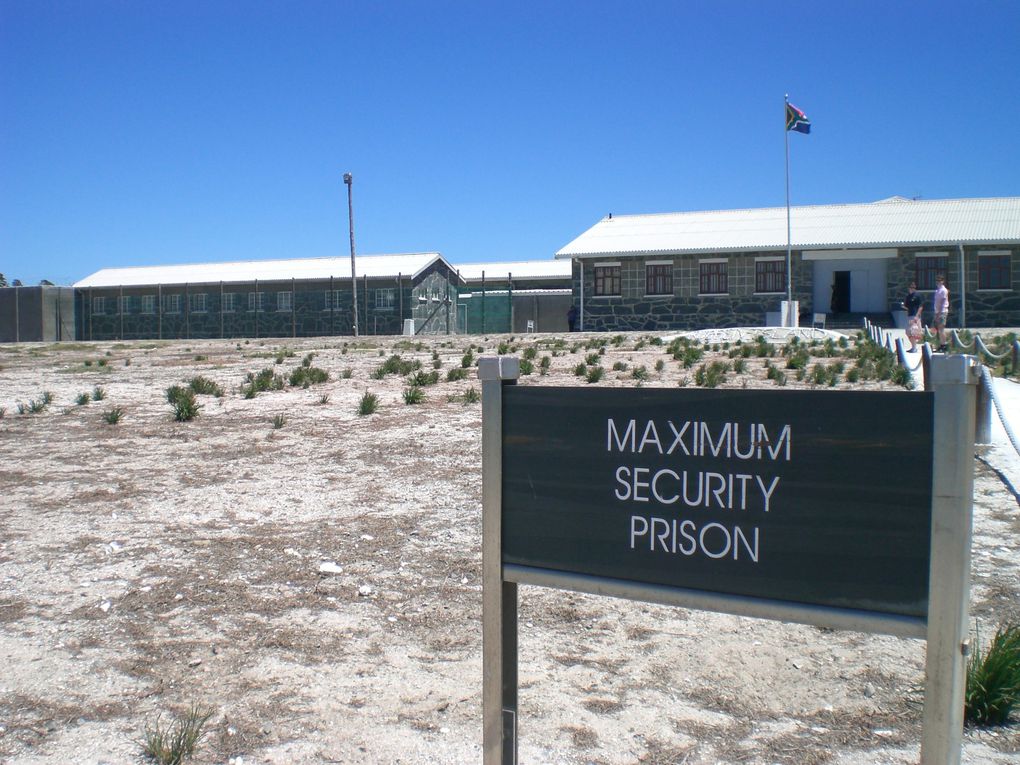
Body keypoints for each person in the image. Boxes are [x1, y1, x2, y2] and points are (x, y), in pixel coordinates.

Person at [902, 281, 924, 352]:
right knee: (908, 332)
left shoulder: (917, 296)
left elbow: (920, 307)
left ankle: (914, 348)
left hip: (915, 316)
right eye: (910, 287)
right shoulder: (908, 297)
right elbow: (907, 307)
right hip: (909, 315)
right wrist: (903, 306)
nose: (911, 289)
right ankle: (913, 346)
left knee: (913, 331)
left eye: (913, 288)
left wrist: (917, 316)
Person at [932, 274, 949, 352]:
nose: (938, 282)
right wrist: (936, 313)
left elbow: (942, 302)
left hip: (942, 311)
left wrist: (938, 313)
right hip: (937, 311)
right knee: (938, 329)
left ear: (943, 281)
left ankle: (944, 345)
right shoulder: (937, 290)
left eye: (940, 280)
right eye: (937, 280)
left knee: (941, 329)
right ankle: (941, 344)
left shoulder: (943, 290)